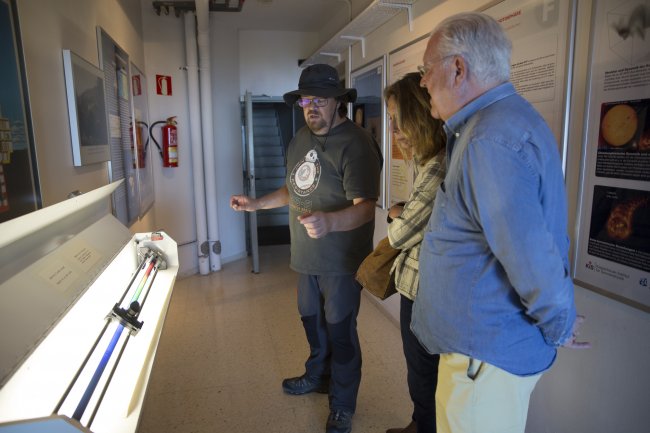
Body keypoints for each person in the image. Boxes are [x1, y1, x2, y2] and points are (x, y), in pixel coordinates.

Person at [410, 12, 589, 433]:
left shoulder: (488, 140)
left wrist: (559, 322)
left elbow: (530, 254)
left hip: (482, 361)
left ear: (458, 69)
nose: (423, 82)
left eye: (426, 69)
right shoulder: (500, 123)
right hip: (483, 354)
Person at [230, 64, 382, 433]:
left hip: (342, 262)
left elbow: (365, 207)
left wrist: (330, 222)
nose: (311, 108)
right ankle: (318, 376)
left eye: (320, 100)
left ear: (338, 102)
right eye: (305, 101)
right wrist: (256, 204)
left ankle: (342, 404)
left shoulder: (357, 143)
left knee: (341, 333)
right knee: (312, 324)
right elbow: (293, 189)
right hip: (305, 258)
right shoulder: (300, 139)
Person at [383, 72, 446, 433]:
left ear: (419, 114)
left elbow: (399, 234)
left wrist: (397, 215)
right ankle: (419, 424)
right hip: (419, 287)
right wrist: (403, 213)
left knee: (424, 372)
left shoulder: (437, 166)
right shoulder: (426, 161)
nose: (394, 131)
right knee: (419, 370)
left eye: (398, 119)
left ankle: (423, 427)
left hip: (425, 292)